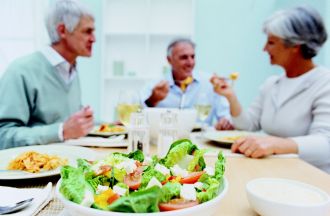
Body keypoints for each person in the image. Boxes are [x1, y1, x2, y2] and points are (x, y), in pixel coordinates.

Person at [212, 6, 330, 172]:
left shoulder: (325, 82)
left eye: (271, 42)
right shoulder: (272, 83)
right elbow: (247, 124)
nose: (264, 49)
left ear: (295, 45)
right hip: (275, 170)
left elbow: (325, 144)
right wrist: (231, 97)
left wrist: (277, 144)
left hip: (311, 177)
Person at [0, 0, 96, 149]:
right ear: (62, 30)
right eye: (87, 31)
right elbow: (3, 135)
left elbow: (68, 124)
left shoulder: (71, 70)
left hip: (67, 163)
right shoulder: (21, 71)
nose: (93, 38)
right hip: (35, 170)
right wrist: (61, 131)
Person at [142, 38, 232, 128]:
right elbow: (139, 117)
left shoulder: (210, 83)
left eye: (192, 57)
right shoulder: (155, 85)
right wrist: (152, 100)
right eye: (184, 57)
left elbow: (227, 116)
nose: (190, 62)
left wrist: (225, 123)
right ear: (169, 60)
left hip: (201, 140)